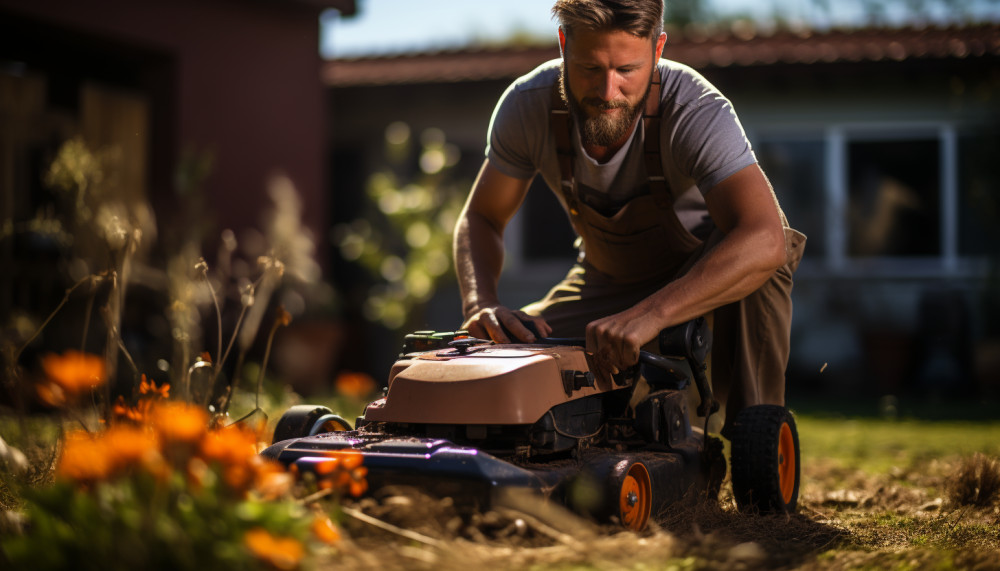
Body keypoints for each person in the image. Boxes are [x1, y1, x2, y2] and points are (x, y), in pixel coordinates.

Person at [453, 0, 805, 436]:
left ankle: (757, 443)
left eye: (626, 70)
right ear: (563, 45)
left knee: (767, 255)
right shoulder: (527, 106)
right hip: (606, 282)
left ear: (658, 50)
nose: (607, 91)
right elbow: (482, 217)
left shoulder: (694, 107)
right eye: (589, 68)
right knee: (499, 356)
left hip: (705, 283)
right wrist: (481, 303)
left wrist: (651, 315)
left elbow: (765, 236)